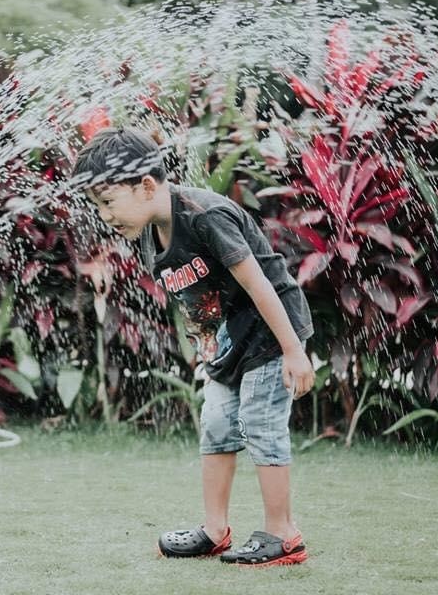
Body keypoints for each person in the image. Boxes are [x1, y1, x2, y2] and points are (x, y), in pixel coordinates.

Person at [73, 127, 315, 566]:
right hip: (225, 344)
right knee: (217, 427)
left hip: (268, 335)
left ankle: (283, 534)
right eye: (98, 205)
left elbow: (261, 284)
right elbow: (196, 300)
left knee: (260, 424)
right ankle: (214, 530)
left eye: (108, 202)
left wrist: (294, 350)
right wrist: (207, 351)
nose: (105, 215)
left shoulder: (204, 217)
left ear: (146, 186)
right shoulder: (149, 231)